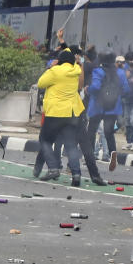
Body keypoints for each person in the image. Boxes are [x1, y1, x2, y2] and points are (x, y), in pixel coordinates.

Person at [36, 48, 86, 184]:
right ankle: (76, 174)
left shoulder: (55, 71)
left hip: (55, 112)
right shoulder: (76, 71)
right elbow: (75, 64)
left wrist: (51, 67)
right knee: (70, 145)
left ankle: (53, 168)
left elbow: (41, 83)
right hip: (70, 113)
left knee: (44, 140)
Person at [86, 53, 129, 171]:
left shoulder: (98, 71)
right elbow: (126, 89)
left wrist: (87, 90)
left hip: (97, 106)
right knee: (108, 132)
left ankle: (89, 158)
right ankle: (113, 154)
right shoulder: (120, 73)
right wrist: (116, 96)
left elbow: (95, 87)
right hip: (113, 107)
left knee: (92, 130)